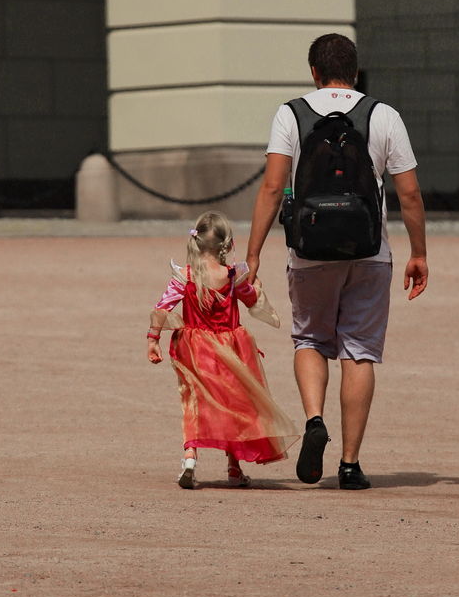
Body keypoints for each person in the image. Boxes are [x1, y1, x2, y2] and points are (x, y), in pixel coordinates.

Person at [246, 33, 428, 490]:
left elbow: (272, 187)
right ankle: (350, 465)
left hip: (309, 252)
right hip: (369, 252)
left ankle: (313, 421)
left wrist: (252, 253)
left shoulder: (292, 113)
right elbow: (408, 193)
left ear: (313, 71)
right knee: (359, 352)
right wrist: (419, 253)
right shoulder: (383, 115)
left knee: (309, 339)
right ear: (355, 70)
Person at [147, 211, 299, 489]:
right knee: (234, 404)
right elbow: (252, 299)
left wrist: (153, 338)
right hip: (231, 348)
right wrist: (256, 287)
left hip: (193, 348)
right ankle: (234, 466)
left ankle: (190, 456)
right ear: (227, 246)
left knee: (194, 400)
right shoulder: (232, 277)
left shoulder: (186, 276)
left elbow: (162, 307)